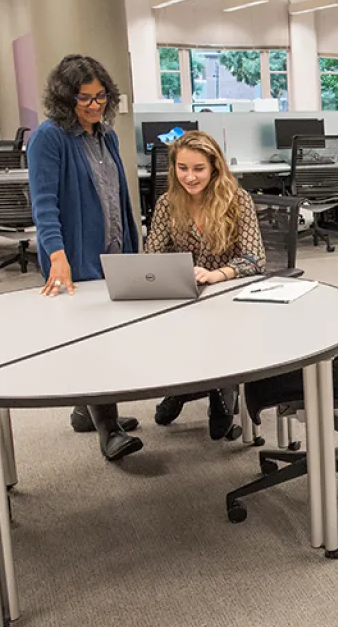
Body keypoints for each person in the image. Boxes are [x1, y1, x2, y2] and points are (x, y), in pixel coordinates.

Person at [29, 54, 143, 462]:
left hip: (114, 247)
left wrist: (132, 247)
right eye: (85, 98)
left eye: (101, 97)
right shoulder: (49, 138)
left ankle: (86, 410)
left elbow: (117, 196)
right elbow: (43, 205)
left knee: (113, 329)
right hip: (75, 255)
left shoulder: (106, 135)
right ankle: (107, 429)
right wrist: (57, 256)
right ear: (65, 97)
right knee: (96, 338)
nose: (95, 105)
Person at [146, 131, 266, 438]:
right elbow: (152, 256)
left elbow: (255, 259)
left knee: (215, 333)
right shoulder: (166, 204)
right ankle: (183, 385)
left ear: (214, 167)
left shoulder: (236, 200)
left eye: (198, 168)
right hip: (182, 294)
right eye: (182, 168)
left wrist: (220, 274)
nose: (190, 176)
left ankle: (221, 390)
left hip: (228, 294)